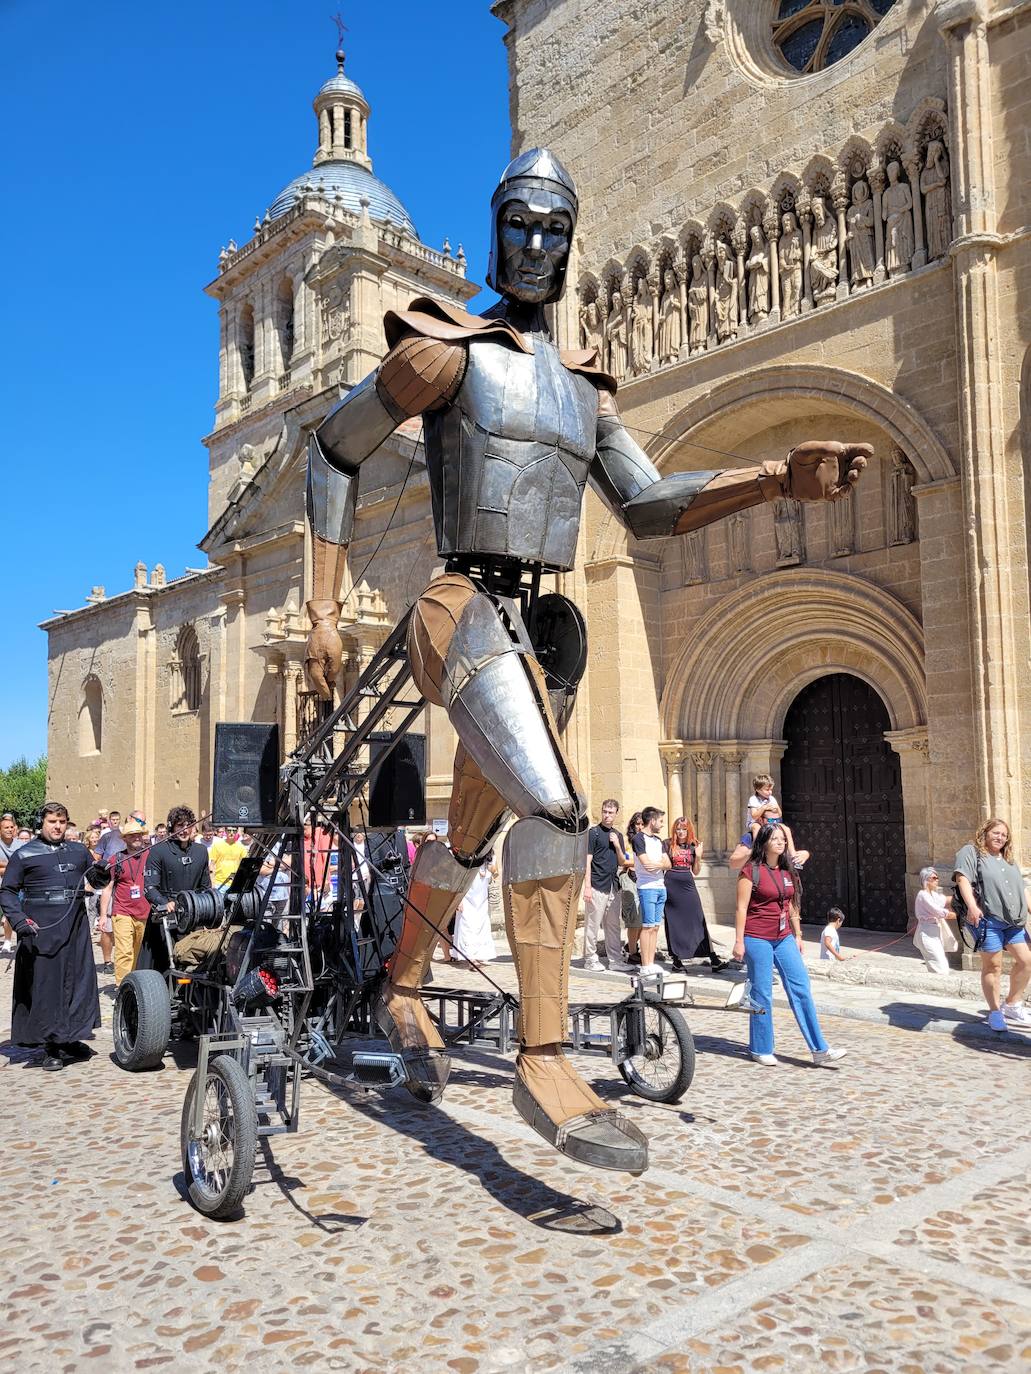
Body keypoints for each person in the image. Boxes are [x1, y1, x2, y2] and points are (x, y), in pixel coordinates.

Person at [302, 144, 869, 1171]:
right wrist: (325, 608)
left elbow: (650, 507)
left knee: (467, 841)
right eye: (516, 223)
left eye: (550, 229)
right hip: (457, 605)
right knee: (559, 810)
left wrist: (778, 476)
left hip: (536, 629)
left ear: (568, 247)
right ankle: (544, 1056)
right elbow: (332, 448)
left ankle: (398, 988)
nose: (530, 244)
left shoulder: (581, 396)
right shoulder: (444, 351)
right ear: (493, 229)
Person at [0, 801, 109, 1070]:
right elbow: (7, 891)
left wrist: (103, 872)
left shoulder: (78, 850)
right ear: (42, 823)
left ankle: (70, 1038)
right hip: (41, 926)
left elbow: (96, 882)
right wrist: (19, 920)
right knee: (47, 985)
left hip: (75, 924)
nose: (57, 826)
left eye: (61, 821)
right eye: (52, 821)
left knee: (77, 981)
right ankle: (50, 1045)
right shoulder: (25, 854)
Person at [732, 823, 847, 1067]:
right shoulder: (750, 871)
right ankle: (760, 1047)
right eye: (775, 839)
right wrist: (739, 941)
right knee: (762, 991)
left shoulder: (787, 871)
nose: (780, 842)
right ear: (763, 842)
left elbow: (791, 905)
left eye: (782, 839)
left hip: (783, 937)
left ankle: (819, 1049)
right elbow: (741, 908)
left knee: (801, 986)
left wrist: (798, 934)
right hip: (757, 937)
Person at [953, 818, 1031, 1030]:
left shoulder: (1008, 859)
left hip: (1014, 921)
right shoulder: (971, 852)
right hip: (988, 920)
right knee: (993, 966)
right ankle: (995, 1011)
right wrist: (972, 906)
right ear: (985, 832)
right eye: (996, 833)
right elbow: (962, 879)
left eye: (1004, 835)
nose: (1000, 837)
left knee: (1026, 962)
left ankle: (1012, 1005)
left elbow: (1022, 889)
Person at [141, 805, 213, 972]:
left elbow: (205, 886)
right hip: (166, 916)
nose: (184, 830)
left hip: (194, 916)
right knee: (165, 964)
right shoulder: (158, 850)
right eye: (180, 825)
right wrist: (165, 903)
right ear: (171, 827)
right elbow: (150, 887)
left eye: (188, 825)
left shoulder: (201, 851)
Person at [662, 816, 726, 973]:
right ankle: (676, 960)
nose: (681, 832)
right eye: (678, 829)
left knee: (698, 919)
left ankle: (713, 958)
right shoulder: (667, 844)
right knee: (673, 922)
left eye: (684, 829)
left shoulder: (694, 845)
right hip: (671, 884)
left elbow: (696, 871)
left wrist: (698, 856)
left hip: (688, 884)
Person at [101, 818, 152, 985]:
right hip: (122, 911)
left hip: (145, 912)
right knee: (124, 952)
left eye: (139, 835)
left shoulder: (150, 856)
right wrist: (103, 916)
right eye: (132, 836)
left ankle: (136, 985)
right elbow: (107, 888)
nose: (136, 838)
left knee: (139, 952)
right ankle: (122, 986)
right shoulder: (117, 859)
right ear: (125, 839)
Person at [582, 799, 627, 971]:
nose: (607, 815)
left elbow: (622, 862)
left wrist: (616, 845)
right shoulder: (593, 833)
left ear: (616, 814)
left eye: (610, 812)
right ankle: (590, 959)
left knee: (613, 925)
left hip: (613, 886)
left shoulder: (618, 835)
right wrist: (587, 886)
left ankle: (615, 960)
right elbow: (587, 860)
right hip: (596, 884)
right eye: (604, 812)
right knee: (593, 924)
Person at [631, 807, 670, 975]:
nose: (662, 825)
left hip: (661, 887)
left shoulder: (658, 841)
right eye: (660, 821)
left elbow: (669, 864)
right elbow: (646, 865)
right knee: (647, 927)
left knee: (655, 927)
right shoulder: (639, 839)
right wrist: (660, 864)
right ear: (652, 821)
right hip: (647, 888)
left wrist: (659, 865)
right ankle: (645, 965)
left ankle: (651, 963)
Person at [451, 853, 498, 965]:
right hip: (467, 896)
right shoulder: (466, 856)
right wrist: (459, 899)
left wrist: (492, 869)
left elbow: (496, 873)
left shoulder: (490, 857)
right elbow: (458, 878)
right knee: (467, 924)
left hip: (481, 898)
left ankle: (480, 954)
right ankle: (469, 955)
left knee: (481, 925)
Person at [910, 868, 956, 975]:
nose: (937, 880)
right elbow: (939, 912)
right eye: (934, 878)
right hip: (926, 933)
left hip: (935, 933)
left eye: (937, 877)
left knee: (942, 964)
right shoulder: (923, 895)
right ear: (926, 879)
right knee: (938, 966)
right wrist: (961, 916)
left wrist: (967, 897)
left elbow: (946, 900)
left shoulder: (933, 895)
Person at [621, 811, 644, 967]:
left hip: (644, 880)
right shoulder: (627, 841)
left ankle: (630, 946)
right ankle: (632, 952)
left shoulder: (649, 840)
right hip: (629, 879)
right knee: (633, 918)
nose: (640, 827)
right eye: (637, 824)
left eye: (643, 824)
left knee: (643, 918)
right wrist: (639, 863)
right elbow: (622, 860)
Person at [0, 811, 25, 955]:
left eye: (11, 827)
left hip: (15, 885)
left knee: (10, 914)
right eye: (6, 828)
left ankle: (8, 941)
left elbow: (21, 866)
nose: (9, 830)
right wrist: (11, 866)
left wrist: (5, 867)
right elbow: (14, 866)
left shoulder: (20, 845)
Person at [209, 825, 249, 890]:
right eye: (229, 830)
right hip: (218, 883)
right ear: (225, 831)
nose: (231, 833)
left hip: (235, 884)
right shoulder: (217, 845)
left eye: (234, 831)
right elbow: (212, 865)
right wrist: (212, 884)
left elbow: (245, 866)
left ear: (237, 832)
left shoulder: (241, 847)